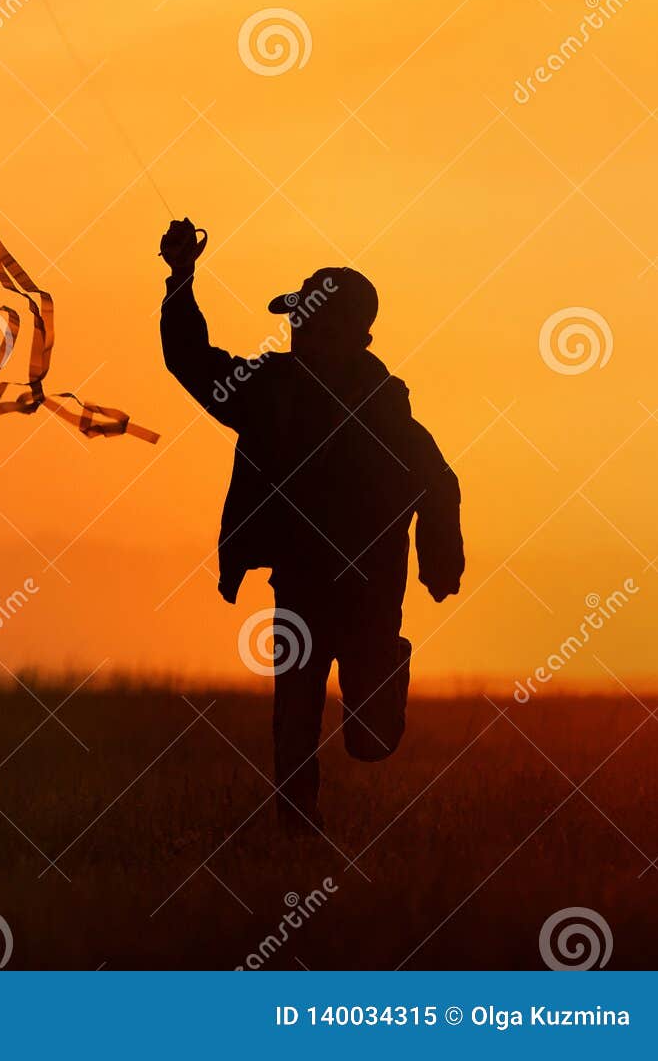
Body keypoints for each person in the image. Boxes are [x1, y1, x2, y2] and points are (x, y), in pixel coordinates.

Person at [159, 218, 464, 835]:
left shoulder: (385, 409)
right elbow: (191, 362)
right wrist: (180, 280)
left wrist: (439, 561)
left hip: (372, 592)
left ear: (354, 335)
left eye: (311, 320)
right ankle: (295, 827)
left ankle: (386, 673)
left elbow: (439, 483)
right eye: (296, 317)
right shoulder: (271, 390)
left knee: (370, 739)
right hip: (298, 585)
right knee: (294, 709)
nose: (297, 328)